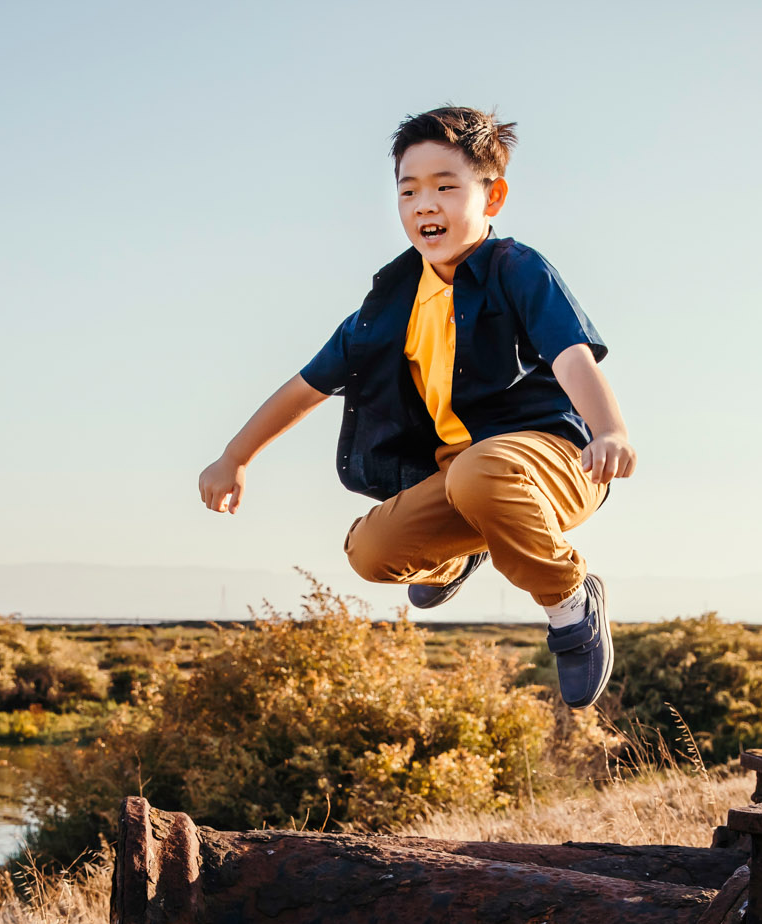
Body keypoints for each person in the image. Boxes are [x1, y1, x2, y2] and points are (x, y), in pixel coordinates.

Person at [196, 106, 635, 708]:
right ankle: (456, 560)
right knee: (371, 552)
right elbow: (305, 387)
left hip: (558, 466)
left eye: (446, 187)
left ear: (493, 195)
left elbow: (570, 356)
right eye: (409, 191)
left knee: (483, 472)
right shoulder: (388, 308)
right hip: (463, 477)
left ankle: (570, 601)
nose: (425, 204)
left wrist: (609, 429)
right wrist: (234, 457)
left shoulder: (515, 269)